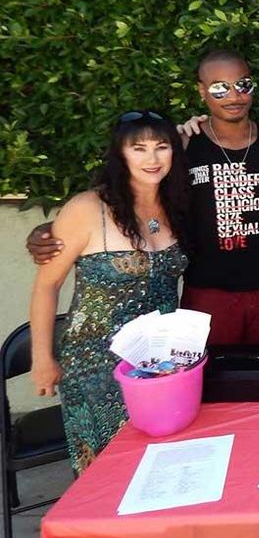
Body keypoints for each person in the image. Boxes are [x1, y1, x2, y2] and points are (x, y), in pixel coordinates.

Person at [28, 50, 259, 349]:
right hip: (207, 292)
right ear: (202, 91)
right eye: (219, 87)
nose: (233, 95)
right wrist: (56, 231)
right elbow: (131, 196)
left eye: (242, 84)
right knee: (207, 390)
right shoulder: (181, 149)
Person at [28, 111, 190, 475]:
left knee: (158, 463)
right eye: (139, 148)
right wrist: (43, 359)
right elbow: (46, 285)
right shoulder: (88, 208)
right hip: (97, 365)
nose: (152, 159)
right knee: (107, 472)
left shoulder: (173, 204)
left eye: (161, 147)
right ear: (120, 154)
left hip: (159, 362)